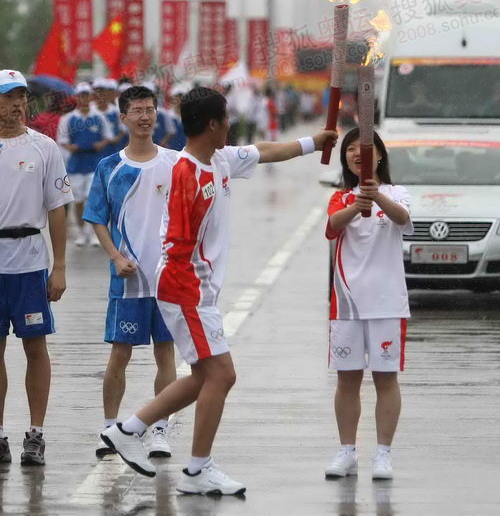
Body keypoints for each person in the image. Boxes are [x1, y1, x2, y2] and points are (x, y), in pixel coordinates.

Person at [100, 86, 337, 493]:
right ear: (212, 125)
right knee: (222, 375)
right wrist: (185, 287)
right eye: (226, 119)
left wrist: (312, 143)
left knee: (204, 377)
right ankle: (193, 467)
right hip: (184, 288)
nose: (231, 125)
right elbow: (175, 242)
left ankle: (132, 431)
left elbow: (263, 151)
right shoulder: (185, 173)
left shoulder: (221, 158)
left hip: (195, 290)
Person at [83, 86, 177, 459]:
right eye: (136, 110)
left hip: (167, 277)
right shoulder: (110, 167)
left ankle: (159, 430)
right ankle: (110, 428)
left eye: (149, 109)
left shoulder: (174, 162)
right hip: (128, 279)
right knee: (120, 355)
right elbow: (97, 218)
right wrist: (114, 258)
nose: (144, 116)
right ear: (122, 118)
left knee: (165, 355)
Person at [324, 127, 413, 481]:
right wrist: (356, 204)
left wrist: (377, 199)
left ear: (379, 155)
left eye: (366, 148)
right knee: (347, 380)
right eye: (350, 150)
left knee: (385, 379)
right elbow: (331, 226)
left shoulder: (396, 193)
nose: (358, 154)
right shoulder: (341, 197)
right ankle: (347, 452)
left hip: (387, 302)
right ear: (346, 158)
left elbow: (403, 218)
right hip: (347, 304)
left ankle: (383, 454)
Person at [0, 69, 73, 465]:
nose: (17, 104)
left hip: (29, 260)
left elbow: (57, 209)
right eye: (8, 97)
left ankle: (36, 433)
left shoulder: (44, 148)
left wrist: (58, 266)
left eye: (21, 97)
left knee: (35, 347)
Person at [57, 82, 112, 247]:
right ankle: (81, 233)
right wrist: (71, 147)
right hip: (76, 165)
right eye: (81, 95)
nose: (84, 98)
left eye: (86, 95)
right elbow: (62, 140)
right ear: (77, 97)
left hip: (94, 163)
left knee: (92, 199)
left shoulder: (99, 117)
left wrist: (100, 145)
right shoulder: (68, 118)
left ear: (90, 97)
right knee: (78, 200)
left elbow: (108, 136)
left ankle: (93, 233)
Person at [92, 78, 127, 157]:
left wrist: (116, 139)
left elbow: (123, 129)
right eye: (97, 91)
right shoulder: (90, 110)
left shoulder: (116, 110)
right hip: (95, 152)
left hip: (113, 150)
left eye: (102, 91)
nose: (99, 94)